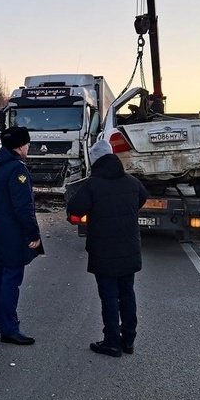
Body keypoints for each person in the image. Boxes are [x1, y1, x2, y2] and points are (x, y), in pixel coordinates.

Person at [66, 139, 149, 357]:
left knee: (109, 297)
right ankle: (128, 340)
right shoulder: (131, 182)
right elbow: (143, 197)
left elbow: (74, 208)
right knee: (127, 294)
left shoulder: (93, 184)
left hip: (103, 249)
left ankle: (112, 341)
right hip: (129, 247)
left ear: (95, 161)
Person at [0, 126, 44, 345]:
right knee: (12, 278)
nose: (28, 148)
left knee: (0, 271)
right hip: (14, 232)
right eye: (27, 144)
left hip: (1, 229)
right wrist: (33, 233)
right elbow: (23, 207)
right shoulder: (17, 170)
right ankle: (9, 329)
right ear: (20, 146)